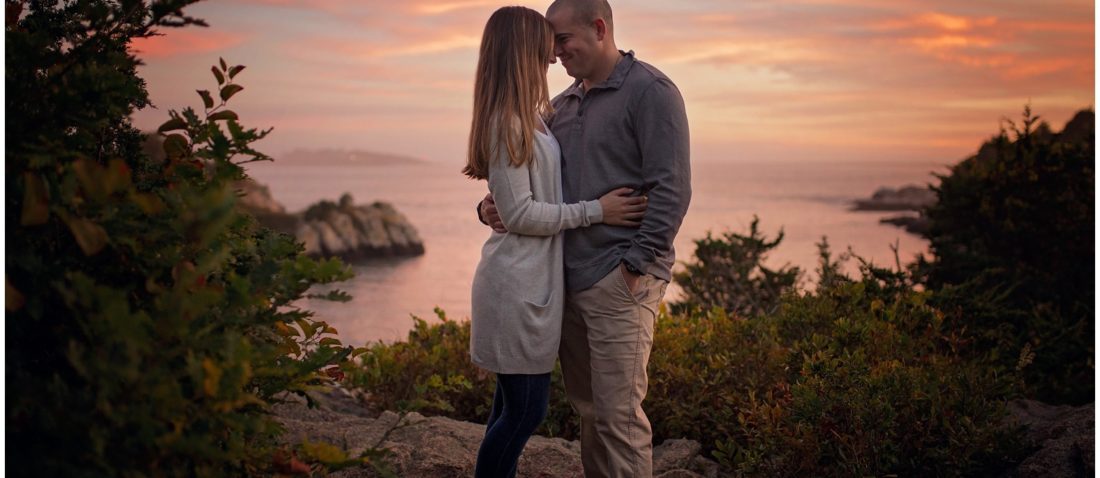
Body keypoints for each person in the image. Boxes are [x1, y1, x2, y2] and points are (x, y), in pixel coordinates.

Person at [479, 0, 691, 476]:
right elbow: (521, 187)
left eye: (563, 39)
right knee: (591, 414)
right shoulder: (562, 104)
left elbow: (672, 188)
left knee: (618, 418)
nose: (554, 53)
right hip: (568, 284)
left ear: (599, 29)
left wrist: (636, 267)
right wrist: (487, 209)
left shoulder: (650, 91)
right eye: (550, 43)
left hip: (620, 281)